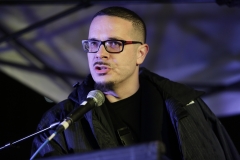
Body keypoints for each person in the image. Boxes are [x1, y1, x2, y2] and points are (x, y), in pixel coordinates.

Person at [31, 6, 239, 160]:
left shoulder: (186, 105)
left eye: (113, 43)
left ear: (141, 53)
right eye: (93, 43)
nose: (100, 54)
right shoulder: (59, 122)